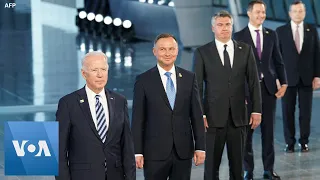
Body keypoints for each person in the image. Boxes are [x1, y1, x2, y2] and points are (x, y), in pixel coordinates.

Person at [193, 10, 262, 180]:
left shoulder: (245, 50)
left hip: (239, 118)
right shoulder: (202, 52)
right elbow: (196, 87)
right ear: (213, 28)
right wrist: (200, 114)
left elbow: (253, 82)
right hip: (212, 119)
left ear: (232, 26)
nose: (224, 28)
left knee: (238, 168)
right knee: (211, 168)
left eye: (228, 24)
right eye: (220, 25)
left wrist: (256, 110)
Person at [131, 33, 206, 180]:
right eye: (163, 49)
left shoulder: (189, 78)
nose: (168, 53)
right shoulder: (143, 80)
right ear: (155, 52)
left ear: (177, 51)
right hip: (154, 153)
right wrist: (137, 152)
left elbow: (196, 116)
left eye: (171, 49)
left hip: (183, 152)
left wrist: (200, 147)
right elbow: (138, 119)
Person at [56, 51, 136, 180]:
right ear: (84, 74)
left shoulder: (120, 101)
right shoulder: (68, 103)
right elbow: (59, 150)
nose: (100, 75)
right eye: (94, 70)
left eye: (103, 69)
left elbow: (127, 146)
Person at [233, 1, 288, 179]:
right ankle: (248, 169)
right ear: (249, 14)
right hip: (247, 92)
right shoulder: (239, 36)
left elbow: (278, 60)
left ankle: (268, 169)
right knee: (247, 132)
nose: (261, 15)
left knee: (268, 131)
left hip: (268, 89)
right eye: (258, 12)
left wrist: (284, 82)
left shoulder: (271, 34)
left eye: (263, 12)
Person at [276, 0, 320, 153]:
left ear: (305, 12)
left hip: (307, 78)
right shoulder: (280, 31)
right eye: (295, 11)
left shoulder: (312, 30)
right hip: (287, 80)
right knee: (287, 112)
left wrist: (317, 76)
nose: (298, 14)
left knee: (305, 113)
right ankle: (290, 142)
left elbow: (317, 55)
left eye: (301, 11)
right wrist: (278, 79)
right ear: (290, 13)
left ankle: (304, 141)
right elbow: (277, 57)